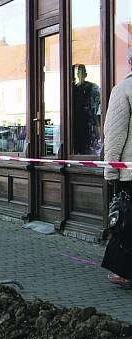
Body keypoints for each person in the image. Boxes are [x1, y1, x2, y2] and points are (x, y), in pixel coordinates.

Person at [102, 49, 132, 288]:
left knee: (126, 222)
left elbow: (115, 134)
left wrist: (111, 171)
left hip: (130, 172)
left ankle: (124, 272)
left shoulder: (122, 90)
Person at [72, 64, 101, 155]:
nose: (80, 75)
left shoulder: (92, 87)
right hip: (76, 121)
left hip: (88, 120)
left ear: (85, 74)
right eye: (78, 73)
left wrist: (96, 123)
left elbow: (96, 104)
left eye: (82, 72)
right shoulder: (74, 88)